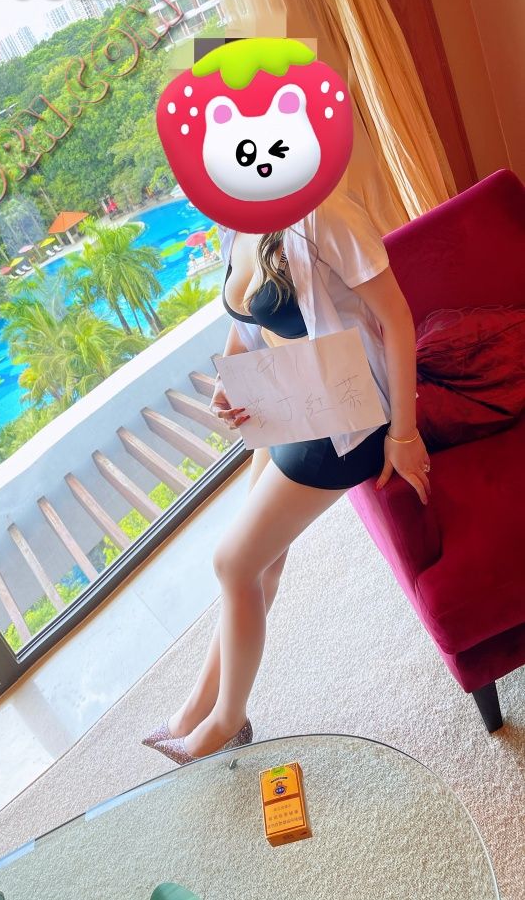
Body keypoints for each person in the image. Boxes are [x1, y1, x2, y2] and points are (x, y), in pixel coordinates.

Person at [142, 186, 431, 764]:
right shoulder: (241, 222)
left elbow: (396, 319)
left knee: (234, 562)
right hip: (294, 401)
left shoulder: (328, 212)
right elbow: (247, 319)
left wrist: (404, 434)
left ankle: (227, 720)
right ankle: (198, 705)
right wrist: (230, 379)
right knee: (260, 564)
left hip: (349, 415)